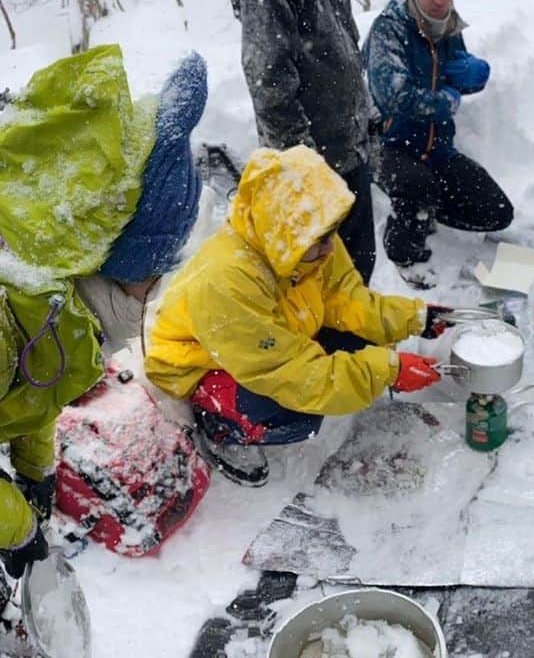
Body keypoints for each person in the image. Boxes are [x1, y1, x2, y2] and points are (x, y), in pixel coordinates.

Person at [0, 45, 205, 589]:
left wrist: (36, 467)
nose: (152, 296)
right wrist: (15, 525)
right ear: (106, 265)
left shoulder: (40, 303)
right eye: (150, 278)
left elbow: (30, 380)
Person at [144, 146, 448, 488]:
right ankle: (222, 425)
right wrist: (386, 371)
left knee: (362, 342)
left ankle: (247, 408)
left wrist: (415, 318)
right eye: (321, 240)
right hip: (202, 363)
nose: (331, 248)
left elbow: (345, 298)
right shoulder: (226, 281)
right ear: (286, 233)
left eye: (332, 234)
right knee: (296, 410)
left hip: (266, 340)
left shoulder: (303, 241)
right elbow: (287, 373)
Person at [231, 0, 383, 284]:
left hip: (348, 151)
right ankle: (336, 352)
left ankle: (356, 348)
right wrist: (307, 177)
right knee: (322, 287)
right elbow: (270, 86)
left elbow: (345, 53)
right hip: (314, 167)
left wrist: (364, 121)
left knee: (357, 271)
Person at [363, 0, 513, 288]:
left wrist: (474, 73)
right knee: (416, 185)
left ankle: (425, 205)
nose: (440, 0)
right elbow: (395, 97)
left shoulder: (447, 25)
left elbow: (460, 71)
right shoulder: (390, 26)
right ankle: (403, 248)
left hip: (437, 148)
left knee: (497, 211)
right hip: (388, 145)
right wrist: (446, 99)